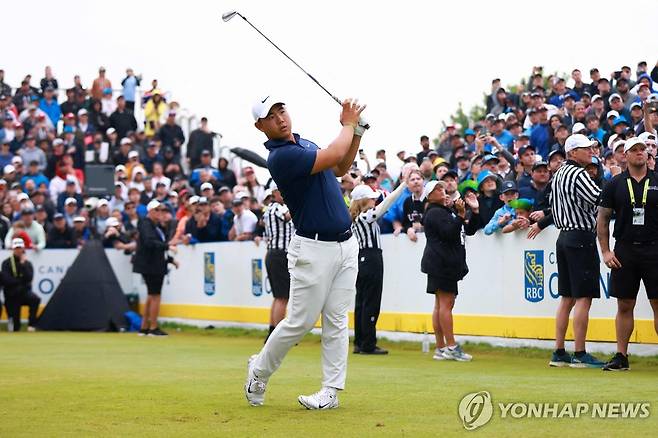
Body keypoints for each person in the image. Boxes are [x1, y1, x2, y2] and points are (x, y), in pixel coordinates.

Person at [245, 95, 366, 410]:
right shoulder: (280, 158)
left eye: (281, 110)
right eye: (271, 117)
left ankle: (330, 391)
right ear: (260, 126)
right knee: (298, 323)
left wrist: (357, 134)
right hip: (312, 248)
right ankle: (258, 371)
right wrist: (347, 124)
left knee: (337, 320)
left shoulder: (304, 142)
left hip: (345, 243)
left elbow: (340, 165)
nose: (280, 118)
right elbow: (334, 153)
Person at [597, 137, 658, 371]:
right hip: (625, 249)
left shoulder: (657, 179)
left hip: (655, 248)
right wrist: (605, 251)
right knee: (624, 304)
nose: (640, 152)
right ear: (625, 155)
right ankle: (621, 356)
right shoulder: (614, 184)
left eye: (643, 149)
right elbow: (602, 221)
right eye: (635, 149)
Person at [549, 134, 604, 368]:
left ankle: (559, 351)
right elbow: (598, 198)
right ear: (572, 152)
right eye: (585, 149)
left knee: (567, 298)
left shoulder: (559, 173)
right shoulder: (578, 173)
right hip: (580, 236)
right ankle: (580, 353)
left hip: (563, 237)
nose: (590, 151)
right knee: (583, 297)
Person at [421, 181, 479, 361]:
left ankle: (441, 347)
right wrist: (461, 215)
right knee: (446, 305)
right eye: (437, 189)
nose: (442, 190)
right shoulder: (435, 212)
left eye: (441, 188)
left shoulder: (442, 211)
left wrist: (473, 211)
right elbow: (449, 232)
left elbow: (468, 230)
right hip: (442, 263)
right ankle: (451, 347)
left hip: (440, 263)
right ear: (429, 196)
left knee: (440, 305)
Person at [350, 181, 407, 355]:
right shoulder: (365, 217)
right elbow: (387, 203)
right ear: (363, 201)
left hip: (361, 258)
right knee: (371, 302)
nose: (374, 201)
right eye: (371, 198)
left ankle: (360, 342)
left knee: (361, 301)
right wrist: (402, 185)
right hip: (371, 257)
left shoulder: (355, 219)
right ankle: (368, 343)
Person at [132, 200, 179, 337]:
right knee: (155, 295)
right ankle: (153, 327)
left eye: (161, 211)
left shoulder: (154, 226)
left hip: (154, 264)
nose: (160, 213)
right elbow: (149, 243)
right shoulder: (146, 224)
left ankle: (144, 327)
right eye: (157, 210)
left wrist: (170, 259)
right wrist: (168, 246)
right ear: (150, 211)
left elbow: (155, 246)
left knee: (151, 295)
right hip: (151, 265)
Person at [262, 183, 294, 342]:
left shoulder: (268, 210)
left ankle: (272, 331)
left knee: (278, 296)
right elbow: (288, 216)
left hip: (274, 254)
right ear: (275, 192)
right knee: (283, 296)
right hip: (280, 254)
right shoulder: (277, 208)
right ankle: (278, 335)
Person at [1, 238, 40, 332]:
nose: (18, 250)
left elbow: (29, 278)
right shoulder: (6, 263)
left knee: (35, 299)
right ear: (13, 249)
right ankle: (13, 322)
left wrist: (22, 265)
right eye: (16, 248)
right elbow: (6, 280)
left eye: (20, 248)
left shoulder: (27, 263)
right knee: (15, 327)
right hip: (12, 294)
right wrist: (20, 280)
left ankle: (31, 324)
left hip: (24, 292)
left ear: (23, 249)